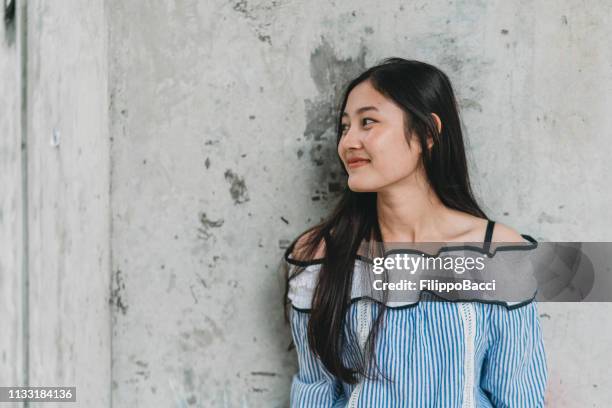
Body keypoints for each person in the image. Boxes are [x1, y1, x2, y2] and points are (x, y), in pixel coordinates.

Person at [283, 58, 548, 407]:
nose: (348, 142)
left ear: (427, 133)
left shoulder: (497, 253)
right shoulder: (320, 254)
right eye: (345, 127)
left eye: (368, 122)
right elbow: (314, 391)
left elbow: (519, 397)